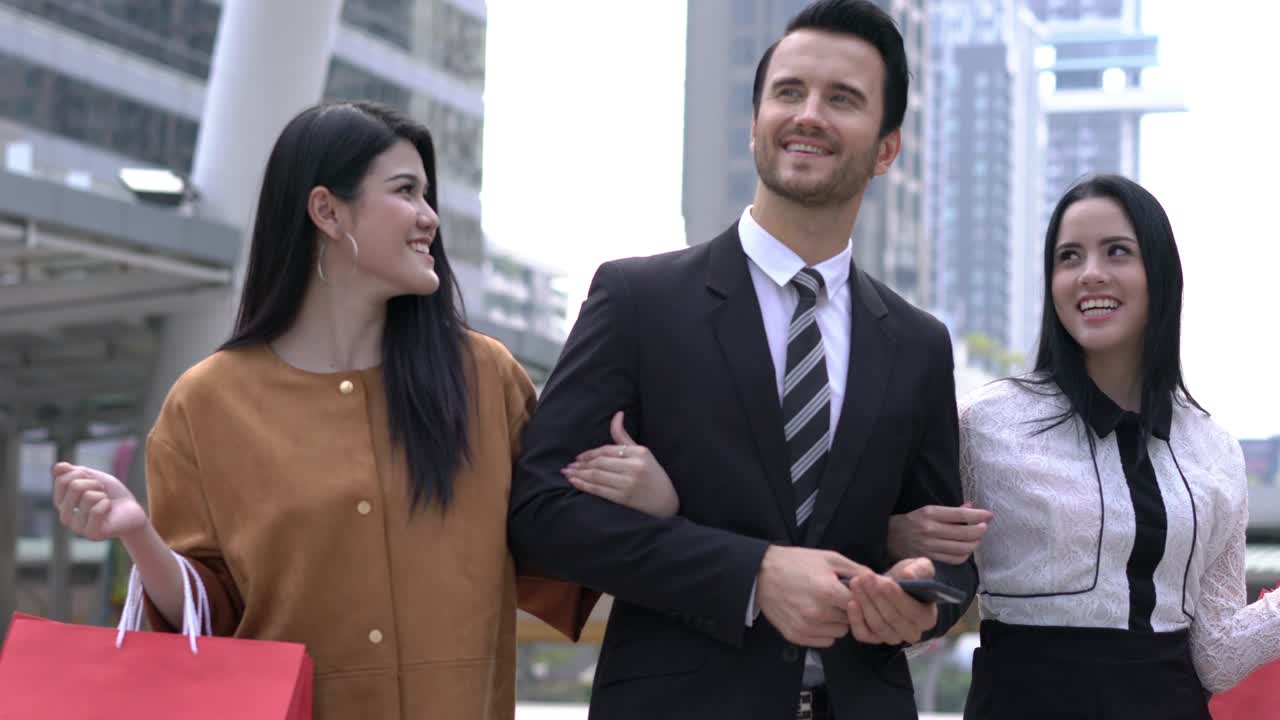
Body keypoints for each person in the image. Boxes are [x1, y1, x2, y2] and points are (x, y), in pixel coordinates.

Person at [48, 100, 669, 720]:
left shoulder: (486, 378)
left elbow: (558, 548)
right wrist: (138, 533)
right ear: (326, 210)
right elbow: (208, 621)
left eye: (429, 196)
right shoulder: (205, 405)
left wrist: (651, 502)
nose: (429, 218)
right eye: (406, 191)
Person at [508, 2, 977, 718]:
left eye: (842, 99)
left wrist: (922, 599)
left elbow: (947, 552)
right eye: (789, 92)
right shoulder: (639, 300)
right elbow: (541, 512)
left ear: (887, 149)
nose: (809, 115)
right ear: (755, 120)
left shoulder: (917, 343)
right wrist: (752, 575)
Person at [887, 174, 1280, 719]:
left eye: (1117, 251)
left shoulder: (1213, 449)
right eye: (1069, 257)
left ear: (1160, 274)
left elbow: (1215, 656)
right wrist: (892, 543)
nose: (1090, 274)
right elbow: (917, 589)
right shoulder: (985, 423)